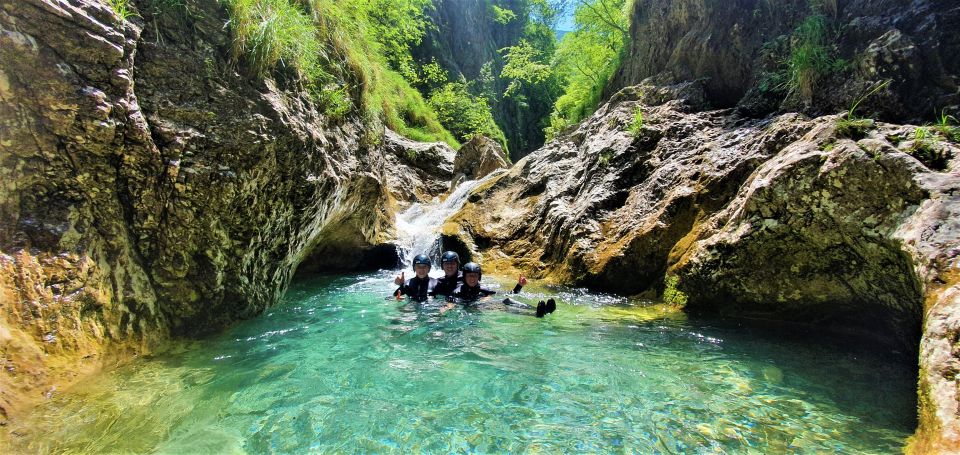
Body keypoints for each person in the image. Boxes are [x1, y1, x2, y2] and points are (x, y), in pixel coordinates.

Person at [445, 262, 555, 317]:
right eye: (469, 276)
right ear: (464, 277)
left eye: (474, 275)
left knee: (506, 300)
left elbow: (508, 294)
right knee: (499, 307)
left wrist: (519, 285)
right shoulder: (457, 292)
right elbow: (450, 303)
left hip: (483, 305)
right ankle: (534, 314)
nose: (472, 278)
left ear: (479, 277)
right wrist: (445, 311)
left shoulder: (483, 289)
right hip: (470, 309)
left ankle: (542, 310)